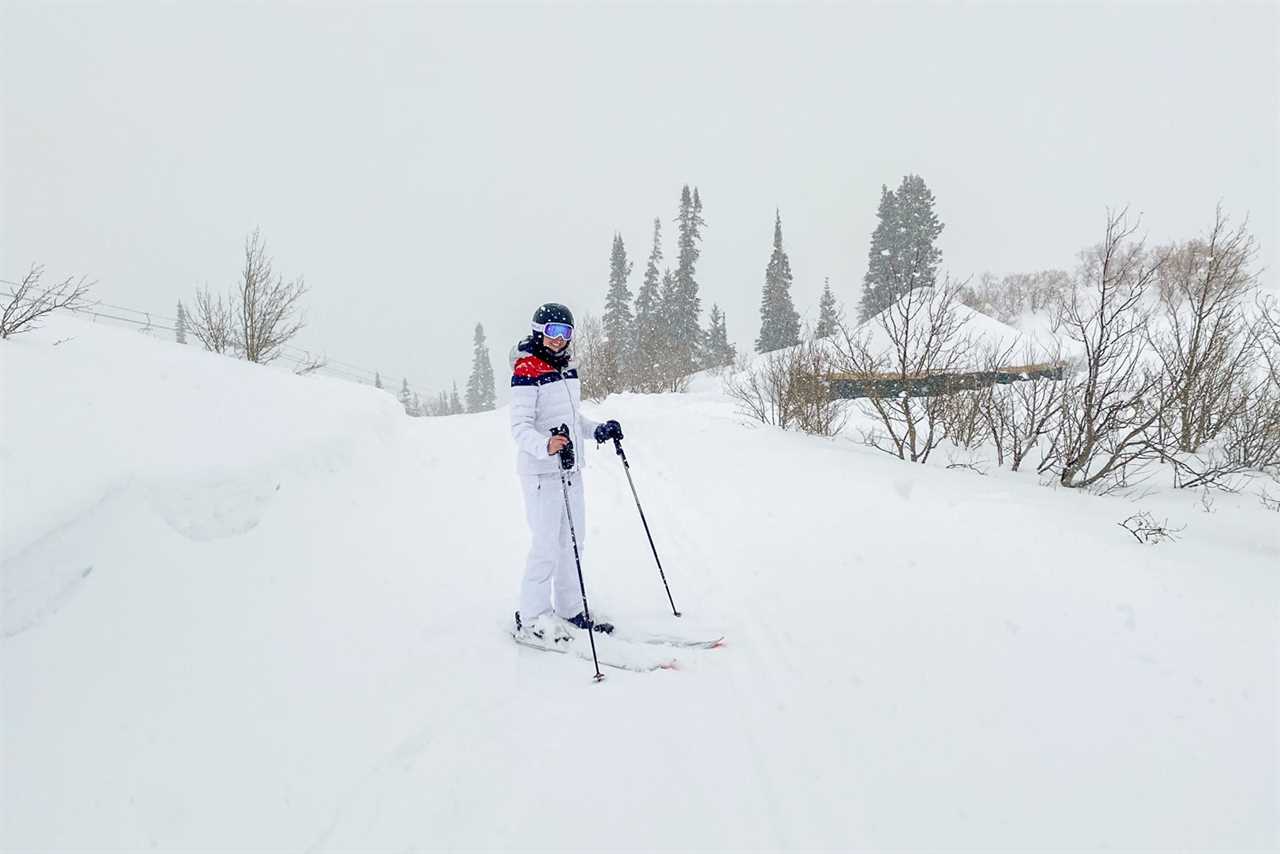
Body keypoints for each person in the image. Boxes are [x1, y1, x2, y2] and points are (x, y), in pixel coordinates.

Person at [509, 302, 622, 639]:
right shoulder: (526, 370)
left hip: (570, 470)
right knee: (545, 545)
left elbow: (573, 421)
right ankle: (532, 618)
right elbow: (520, 427)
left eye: (565, 333)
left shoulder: (568, 368)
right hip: (541, 473)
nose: (559, 339)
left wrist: (597, 430)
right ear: (539, 332)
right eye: (553, 332)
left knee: (573, 543)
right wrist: (547, 445)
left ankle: (571, 610)